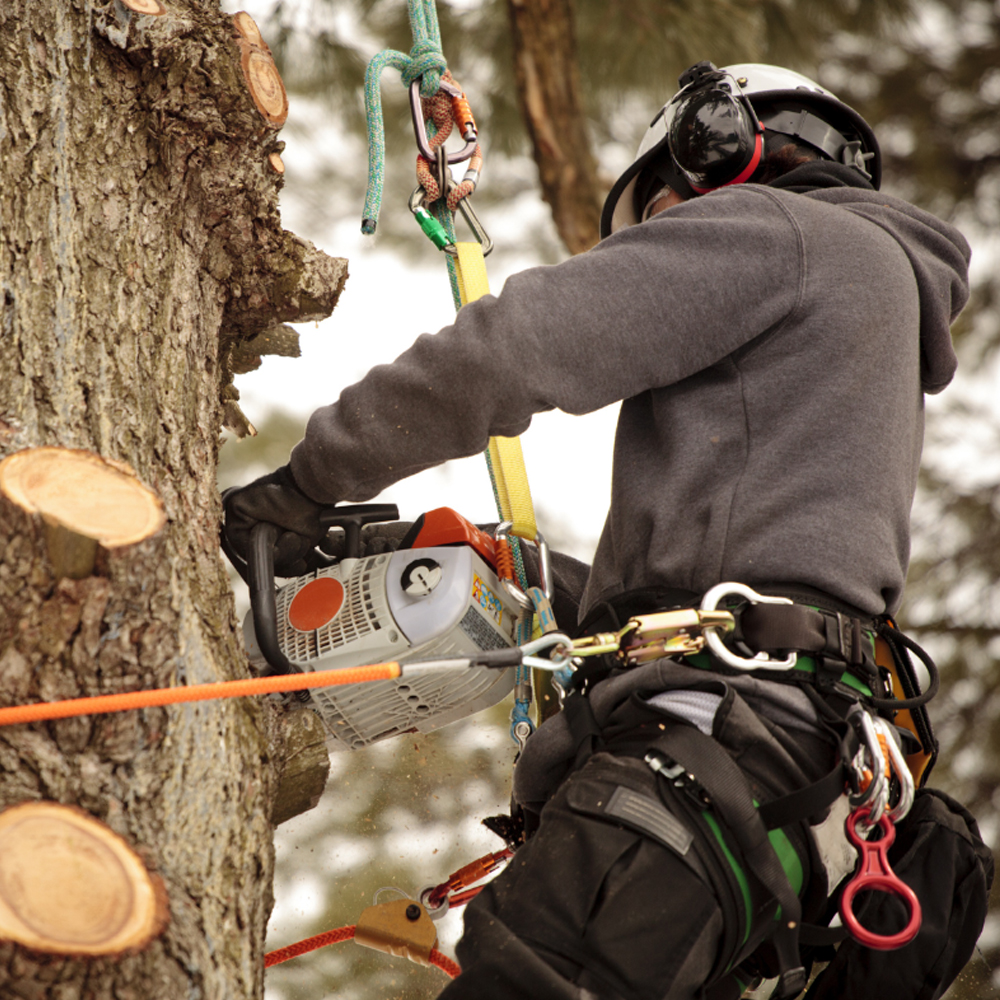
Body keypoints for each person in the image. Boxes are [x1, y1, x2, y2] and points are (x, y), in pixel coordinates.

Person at [224, 62, 973, 999]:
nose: (665, 244)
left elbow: (517, 348)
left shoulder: (780, 229)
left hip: (703, 766)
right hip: (791, 794)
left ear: (720, 150)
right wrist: (529, 577)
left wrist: (305, 484)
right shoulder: (874, 308)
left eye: (662, 216)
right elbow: (759, 585)